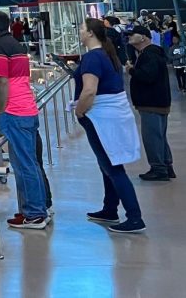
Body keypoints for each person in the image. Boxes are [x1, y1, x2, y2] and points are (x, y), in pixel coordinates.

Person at [73, 18, 144, 234]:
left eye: (82, 29)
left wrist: (80, 110)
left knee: (112, 167)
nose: (80, 32)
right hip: (111, 115)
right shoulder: (107, 54)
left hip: (100, 117)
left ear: (91, 34)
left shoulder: (93, 58)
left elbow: (89, 91)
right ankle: (110, 208)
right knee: (108, 164)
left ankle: (134, 216)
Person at [0, 11, 48, 230]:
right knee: (28, 163)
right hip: (25, 111)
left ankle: (35, 213)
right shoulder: (15, 44)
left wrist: (0, 112)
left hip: (14, 113)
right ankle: (33, 209)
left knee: (24, 164)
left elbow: (2, 81)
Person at [125, 25, 174, 182]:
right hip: (159, 101)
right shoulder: (152, 53)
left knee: (151, 136)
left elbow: (147, 76)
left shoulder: (149, 55)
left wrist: (131, 70)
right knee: (159, 136)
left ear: (143, 37)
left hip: (151, 103)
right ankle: (166, 166)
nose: (129, 37)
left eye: (133, 35)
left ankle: (158, 168)